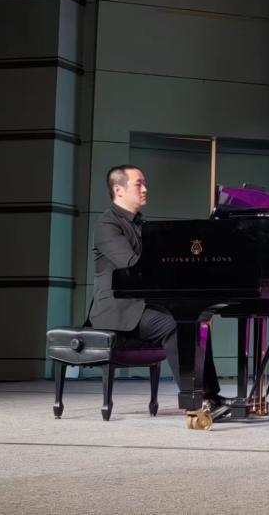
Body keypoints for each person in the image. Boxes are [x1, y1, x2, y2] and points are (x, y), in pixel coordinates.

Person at [90, 165, 222, 404]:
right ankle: (194, 397)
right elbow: (132, 265)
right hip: (119, 310)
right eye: (138, 184)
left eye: (144, 183)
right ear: (118, 190)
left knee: (198, 319)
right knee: (173, 324)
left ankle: (212, 396)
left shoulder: (142, 225)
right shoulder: (107, 225)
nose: (145, 189)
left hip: (144, 305)